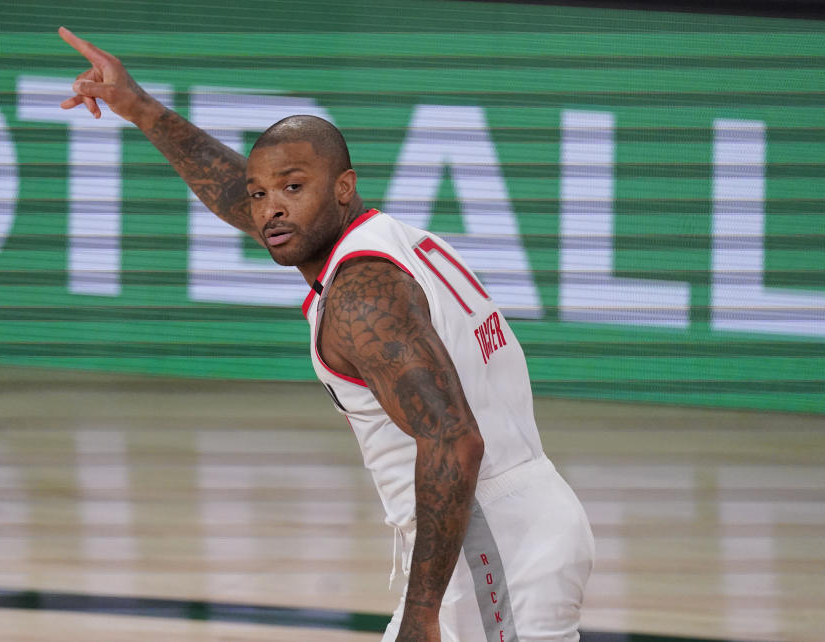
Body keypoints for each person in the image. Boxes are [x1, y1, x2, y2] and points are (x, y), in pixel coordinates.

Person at [58, 27, 594, 642]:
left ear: (343, 186)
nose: (268, 209)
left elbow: (453, 441)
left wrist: (422, 612)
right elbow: (241, 194)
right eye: (262, 195)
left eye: (292, 187)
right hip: (519, 523)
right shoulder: (387, 239)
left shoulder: (363, 294)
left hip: (493, 544)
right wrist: (139, 107)